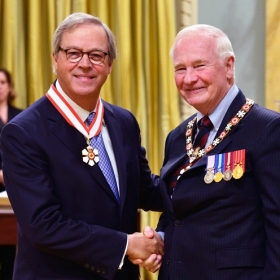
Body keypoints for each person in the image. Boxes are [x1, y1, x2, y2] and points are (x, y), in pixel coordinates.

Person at [0, 13, 163, 280]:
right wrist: (126, 245)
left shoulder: (123, 122)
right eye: (73, 53)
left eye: (96, 55)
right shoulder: (23, 132)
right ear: (55, 59)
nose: (84, 64)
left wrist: (203, 185)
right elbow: (43, 225)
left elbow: (144, 189)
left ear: (109, 64)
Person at [155, 24, 280, 280]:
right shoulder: (177, 138)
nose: (189, 78)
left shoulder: (268, 130)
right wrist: (158, 239)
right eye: (180, 69)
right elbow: (175, 215)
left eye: (200, 65)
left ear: (229, 66)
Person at [0, 67, 22, 280]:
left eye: (2, 82)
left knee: (11, 251)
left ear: (10, 87)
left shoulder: (22, 116)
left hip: (19, 190)